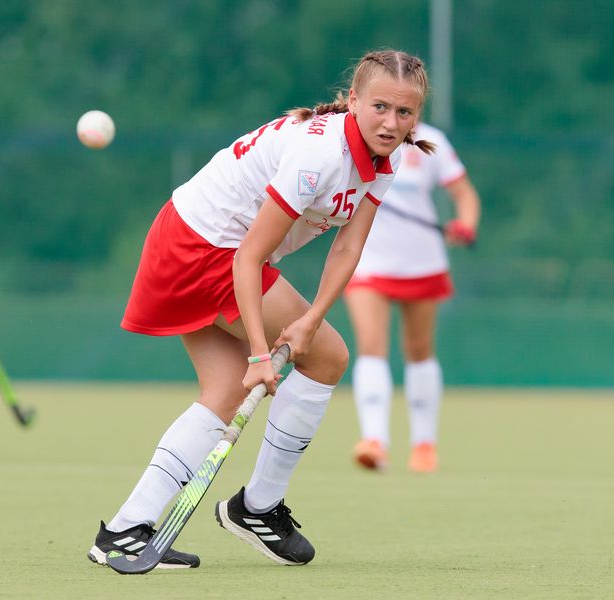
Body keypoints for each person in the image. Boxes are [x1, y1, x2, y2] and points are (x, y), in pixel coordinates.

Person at [87, 50, 434, 570]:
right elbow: (248, 257)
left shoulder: (390, 157)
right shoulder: (320, 155)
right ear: (354, 100)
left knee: (226, 393)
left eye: (404, 112)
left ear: (416, 115)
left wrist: (310, 319)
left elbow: (347, 247)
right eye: (380, 107)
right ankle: (257, 507)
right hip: (202, 247)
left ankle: (123, 530)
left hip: (206, 244)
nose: (391, 123)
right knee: (329, 358)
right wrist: (258, 353)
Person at [344, 122, 480, 474]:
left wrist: (465, 224)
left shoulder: (431, 141)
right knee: (370, 345)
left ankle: (424, 445)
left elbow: (464, 194)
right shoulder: (352, 135)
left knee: (419, 350)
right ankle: (374, 441)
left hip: (422, 261)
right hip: (367, 259)